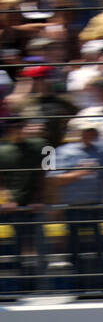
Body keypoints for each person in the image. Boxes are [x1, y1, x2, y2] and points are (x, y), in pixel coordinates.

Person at [50, 122, 103, 292]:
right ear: (80, 133)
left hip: (95, 205)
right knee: (75, 249)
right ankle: (78, 285)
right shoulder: (63, 151)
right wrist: (79, 173)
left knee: (99, 247)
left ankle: (102, 285)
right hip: (73, 206)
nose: (90, 134)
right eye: (87, 131)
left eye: (93, 131)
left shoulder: (102, 150)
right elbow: (55, 178)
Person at [0, 116, 48, 289]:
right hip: (15, 207)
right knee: (19, 246)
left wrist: (39, 199)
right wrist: (7, 199)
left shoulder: (40, 145)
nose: (18, 131)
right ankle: (24, 284)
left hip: (34, 205)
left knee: (38, 246)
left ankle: (41, 285)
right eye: (14, 128)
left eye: (21, 127)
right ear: (9, 130)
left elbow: (45, 174)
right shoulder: (3, 151)